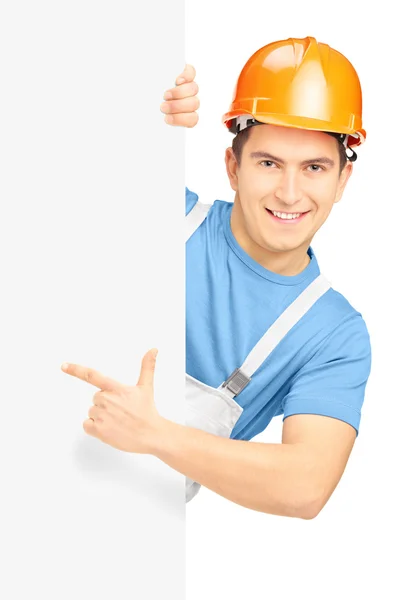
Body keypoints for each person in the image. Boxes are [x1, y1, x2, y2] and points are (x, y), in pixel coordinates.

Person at [62, 37, 372, 519]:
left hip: (137, 537)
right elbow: (63, 126)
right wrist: (147, 106)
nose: (290, 193)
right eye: (269, 163)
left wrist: (154, 434)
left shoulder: (333, 334)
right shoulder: (167, 213)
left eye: (314, 168)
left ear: (342, 182)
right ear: (233, 167)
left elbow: (306, 485)